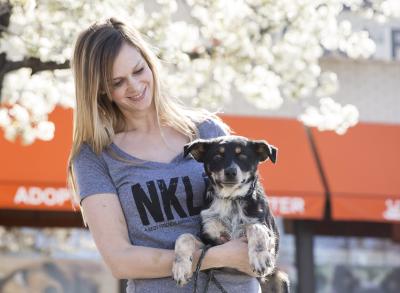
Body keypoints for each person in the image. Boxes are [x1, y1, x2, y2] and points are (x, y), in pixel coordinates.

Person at [67, 17, 260, 293]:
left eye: (138, 70)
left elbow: (255, 217)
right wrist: (214, 257)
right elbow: (120, 260)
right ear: (99, 89)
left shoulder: (206, 131)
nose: (134, 86)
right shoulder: (94, 157)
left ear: (150, 61)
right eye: (118, 82)